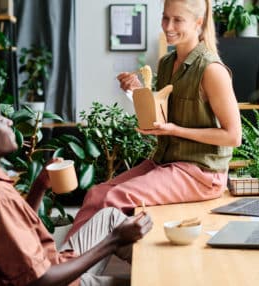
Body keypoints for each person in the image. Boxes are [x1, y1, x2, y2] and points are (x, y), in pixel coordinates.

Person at [0, 90, 153, 286]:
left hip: (51, 265)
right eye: (0, 120)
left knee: (109, 217)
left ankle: (165, 265)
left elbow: (13, 230)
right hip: (53, 279)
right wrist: (113, 240)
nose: (10, 122)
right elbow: (41, 280)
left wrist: (39, 185)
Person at [67, 0, 241, 239]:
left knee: (113, 198)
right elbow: (160, 118)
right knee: (97, 193)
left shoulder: (212, 70)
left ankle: (75, 268)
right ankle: (64, 262)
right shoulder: (167, 63)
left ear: (198, 23)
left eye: (178, 19)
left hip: (201, 174)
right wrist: (138, 91)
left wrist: (175, 130)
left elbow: (233, 136)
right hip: (166, 163)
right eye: (165, 17)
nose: (168, 26)